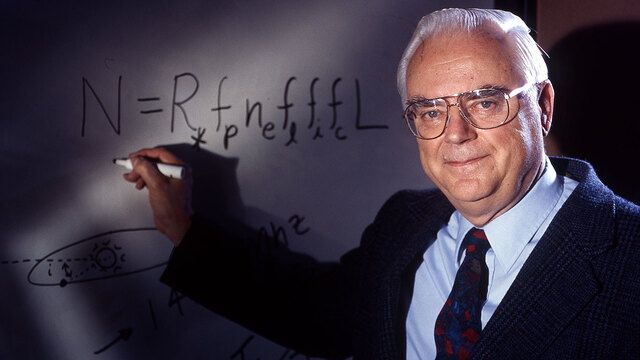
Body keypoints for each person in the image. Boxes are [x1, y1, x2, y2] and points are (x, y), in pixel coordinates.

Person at [123, 8, 640, 360]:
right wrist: (185, 230)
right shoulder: (405, 224)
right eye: (430, 110)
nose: (455, 134)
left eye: (485, 101)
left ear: (543, 107)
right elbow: (319, 312)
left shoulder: (628, 256)